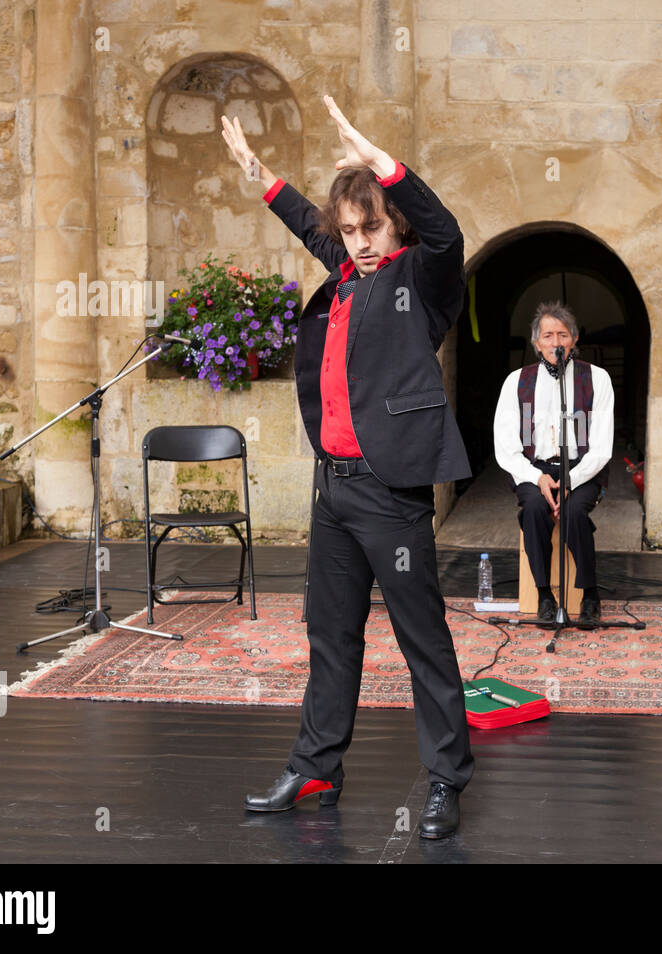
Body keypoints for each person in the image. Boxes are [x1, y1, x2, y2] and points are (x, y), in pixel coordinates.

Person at [220, 98, 472, 838]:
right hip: (333, 487)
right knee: (329, 633)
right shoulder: (346, 272)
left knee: (421, 637)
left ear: (395, 225)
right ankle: (318, 763)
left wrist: (385, 163)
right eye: (350, 232)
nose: (358, 243)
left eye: (372, 228)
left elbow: (449, 232)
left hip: (392, 493)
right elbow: (306, 220)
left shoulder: (420, 282)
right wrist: (260, 173)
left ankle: (446, 780)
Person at [493, 303, 614, 623]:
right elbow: (505, 446)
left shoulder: (597, 378)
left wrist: (571, 481)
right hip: (535, 469)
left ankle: (590, 594)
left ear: (574, 340)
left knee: (573, 511)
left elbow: (601, 447)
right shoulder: (516, 381)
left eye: (563, 334)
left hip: (582, 468)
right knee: (533, 509)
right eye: (548, 335)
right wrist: (537, 478)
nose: (556, 342)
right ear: (537, 343)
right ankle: (545, 595)